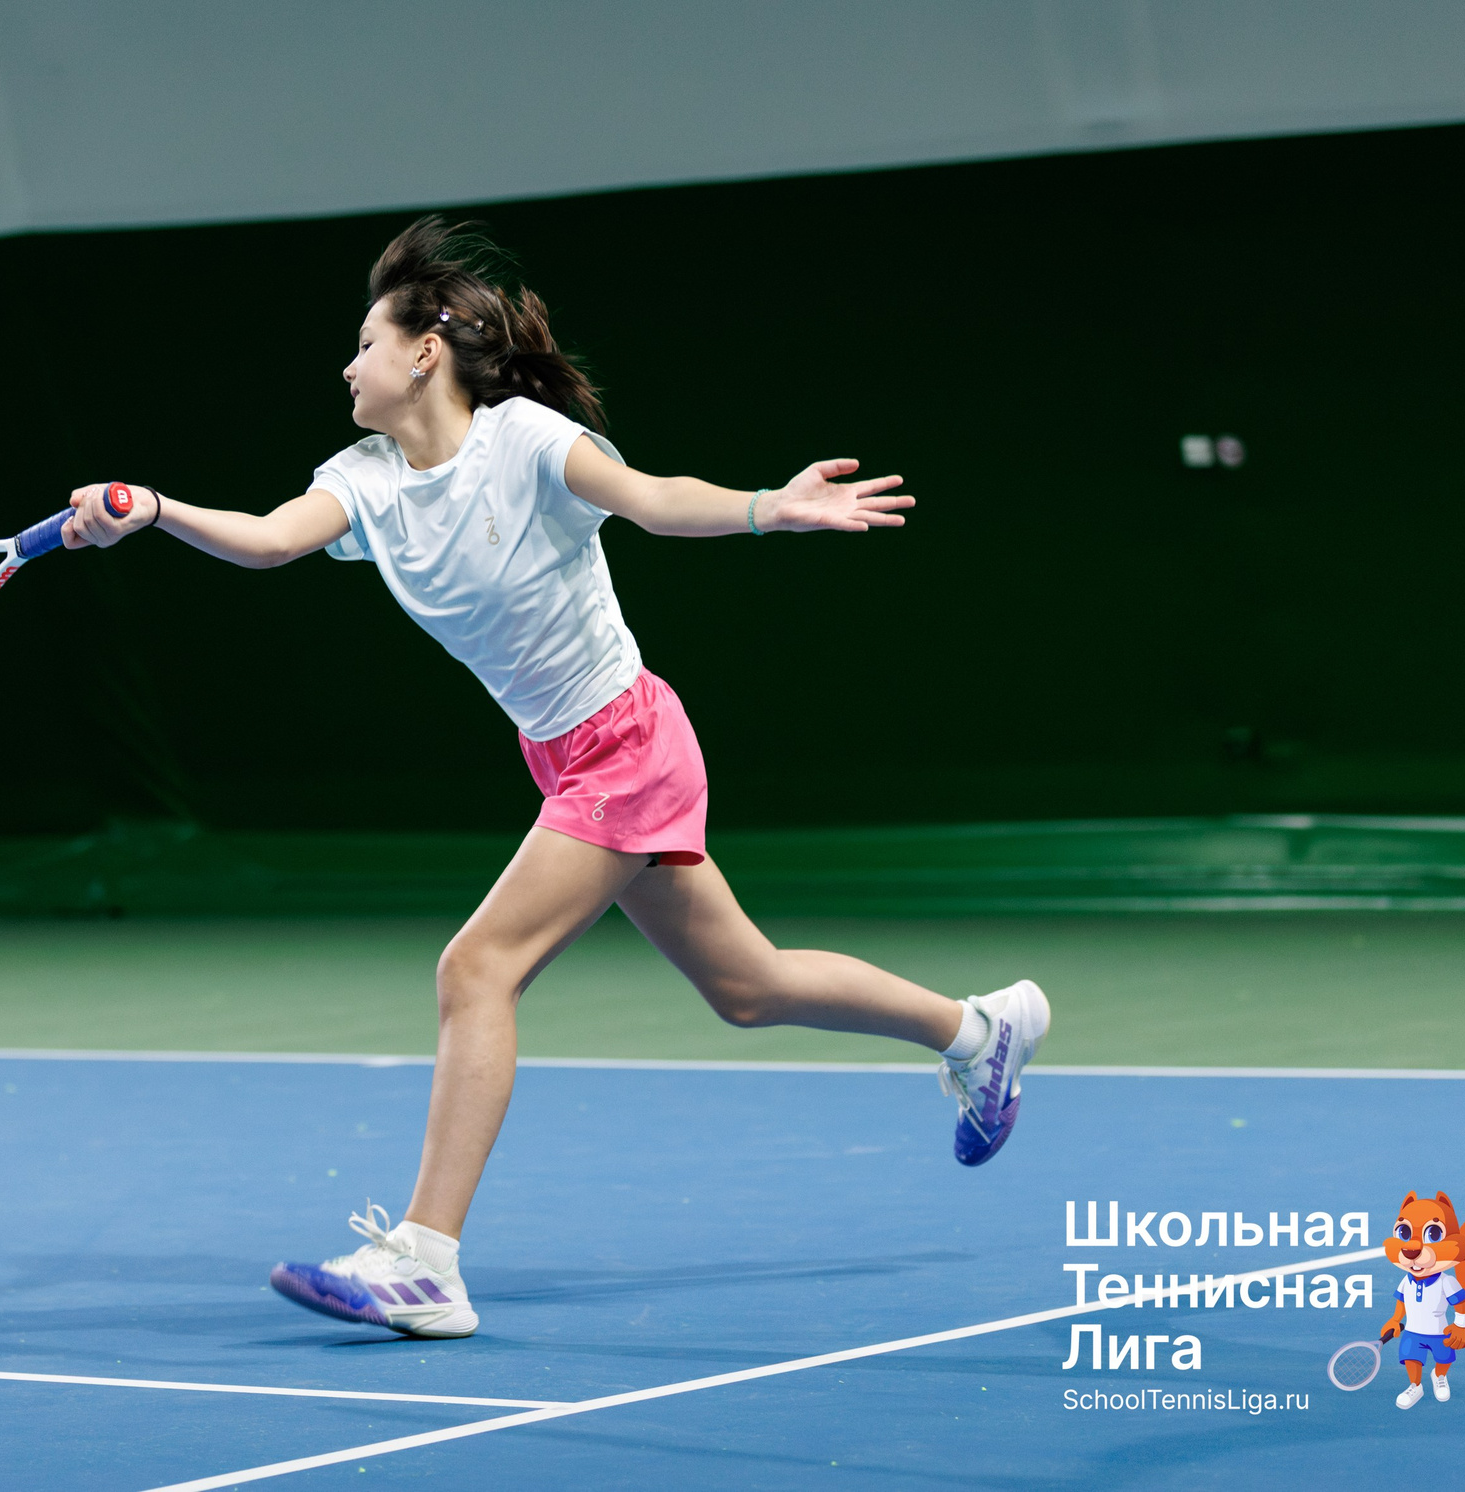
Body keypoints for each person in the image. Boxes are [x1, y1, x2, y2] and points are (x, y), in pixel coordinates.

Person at [59, 218, 1048, 1338]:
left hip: (624, 741)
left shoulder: (526, 440)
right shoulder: (364, 479)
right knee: (748, 986)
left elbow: (652, 496)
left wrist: (770, 507)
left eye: (363, 342)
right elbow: (272, 538)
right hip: (569, 754)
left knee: (476, 968)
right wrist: (153, 509)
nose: (346, 365)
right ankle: (977, 1032)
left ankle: (423, 1260)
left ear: (423, 352)